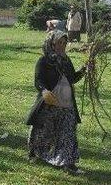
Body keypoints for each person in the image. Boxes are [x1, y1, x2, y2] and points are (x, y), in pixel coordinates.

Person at [26, 31, 86, 174]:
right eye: (60, 42)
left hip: (67, 105)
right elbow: (38, 80)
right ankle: (35, 153)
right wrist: (44, 91)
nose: (63, 46)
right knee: (42, 131)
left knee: (68, 133)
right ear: (52, 44)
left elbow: (72, 78)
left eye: (65, 43)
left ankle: (68, 163)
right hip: (49, 104)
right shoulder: (44, 61)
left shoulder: (66, 60)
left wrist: (84, 70)